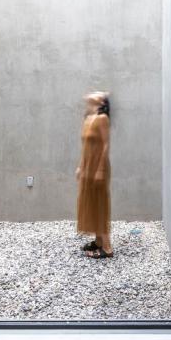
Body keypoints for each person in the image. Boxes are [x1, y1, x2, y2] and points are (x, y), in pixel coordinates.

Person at [76, 91, 112, 258]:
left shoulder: (103, 119)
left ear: (102, 101)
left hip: (98, 166)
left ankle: (107, 247)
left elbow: (105, 145)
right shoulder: (88, 119)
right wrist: (81, 166)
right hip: (88, 167)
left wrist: (101, 169)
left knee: (99, 204)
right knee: (90, 202)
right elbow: (85, 147)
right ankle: (98, 241)